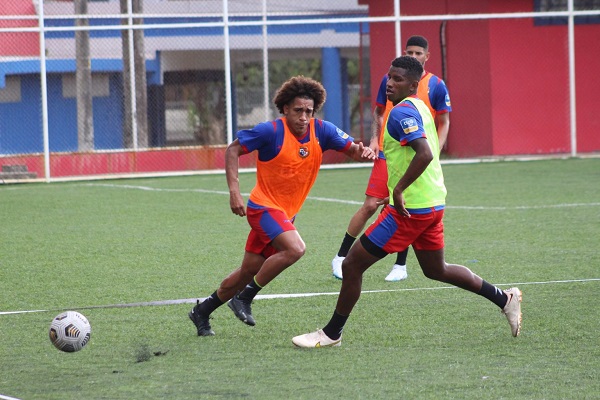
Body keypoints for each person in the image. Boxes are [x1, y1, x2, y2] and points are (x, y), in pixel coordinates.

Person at [292, 56, 522, 348]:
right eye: (389, 77)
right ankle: (505, 299)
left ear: (414, 84)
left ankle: (331, 333)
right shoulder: (419, 107)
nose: (390, 83)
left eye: (398, 79)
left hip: (409, 210)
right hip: (432, 204)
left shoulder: (402, 113)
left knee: (351, 265)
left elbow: (424, 153)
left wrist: (398, 190)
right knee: (436, 269)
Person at [189, 75, 376, 336]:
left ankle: (202, 311)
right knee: (296, 249)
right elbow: (233, 150)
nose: (303, 117)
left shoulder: (323, 131)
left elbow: (354, 150)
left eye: (308, 111)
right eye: (298, 110)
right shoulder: (270, 131)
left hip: (285, 215)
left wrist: (364, 152)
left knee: (248, 271)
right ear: (285, 108)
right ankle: (244, 298)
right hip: (263, 208)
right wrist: (234, 192)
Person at [331, 35, 452, 282]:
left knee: (404, 206)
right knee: (370, 205)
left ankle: (400, 265)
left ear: (426, 57)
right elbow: (379, 111)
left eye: (418, 52)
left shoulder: (435, 85)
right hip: (390, 154)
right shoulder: (392, 79)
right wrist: (376, 140)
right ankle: (341, 256)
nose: (413, 56)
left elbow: (442, 122)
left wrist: (435, 152)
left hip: (417, 156)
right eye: (409, 51)